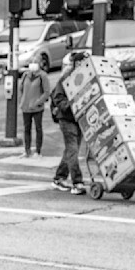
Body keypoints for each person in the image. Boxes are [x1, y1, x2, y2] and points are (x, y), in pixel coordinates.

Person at [50, 52, 87, 195]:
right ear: (77, 63)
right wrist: (72, 106)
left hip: (77, 118)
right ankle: (77, 182)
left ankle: (59, 178)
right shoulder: (67, 78)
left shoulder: (85, 77)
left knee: (71, 150)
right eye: (83, 62)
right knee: (73, 150)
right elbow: (57, 98)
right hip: (66, 118)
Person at [19, 60, 50, 157]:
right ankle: (27, 150)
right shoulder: (25, 75)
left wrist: (38, 102)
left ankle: (38, 151)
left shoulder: (42, 76)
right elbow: (21, 89)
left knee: (38, 128)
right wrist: (23, 101)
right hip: (26, 107)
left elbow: (46, 92)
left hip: (37, 108)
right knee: (26, 129)